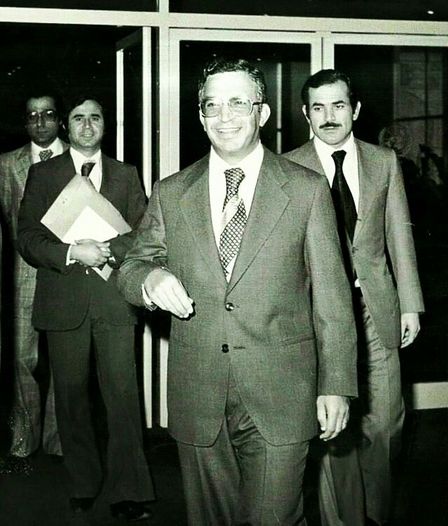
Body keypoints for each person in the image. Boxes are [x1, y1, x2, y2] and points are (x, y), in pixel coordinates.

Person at [117, 57, 358, 525]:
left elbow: (332, 298)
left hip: (283, 392)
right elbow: (131, 266)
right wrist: (149, 279)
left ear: (262, 113)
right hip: (198, 392)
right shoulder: (172, 191)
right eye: (212, 105)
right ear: (200, 115)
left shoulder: (306, 190)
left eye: (237, 103)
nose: (224, 116)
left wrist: (336, 385)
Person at [284, 69, 425, 526]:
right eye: (318, 107)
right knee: (335, 428)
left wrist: (410, 303)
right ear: (305, 114)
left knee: (386, 423)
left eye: (338, 105)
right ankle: (344, 519)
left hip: (374, 307)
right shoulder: (286, 168)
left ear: (356, 110)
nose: (329, 117)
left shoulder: (383, 162)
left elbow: (399, 235)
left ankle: (377, 515)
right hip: (319, 315)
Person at [17, 95, 154, 521]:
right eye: (79, 118)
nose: (87, 125)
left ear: (105, 125)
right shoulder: (43, 174)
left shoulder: (126, 174)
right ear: (66, 125)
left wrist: (109, 249)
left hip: (114, 301)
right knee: (71, 398)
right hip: (64, 301)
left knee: (123, 397)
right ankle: (82, 483)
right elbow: (28, 238)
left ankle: (129, 490)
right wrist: (73, 252)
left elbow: (145, 233)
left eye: (95, 118)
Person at [0, 91, 67, 468]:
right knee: (22, 357)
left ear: (60, 120)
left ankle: (59, 440)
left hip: (65, 272)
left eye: (48, 114)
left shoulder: (77, 158)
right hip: (22, 276)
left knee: (63, 359)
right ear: (25, 122)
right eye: (32, 115)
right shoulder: (7, 164)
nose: (40, 122)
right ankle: (23, 438)